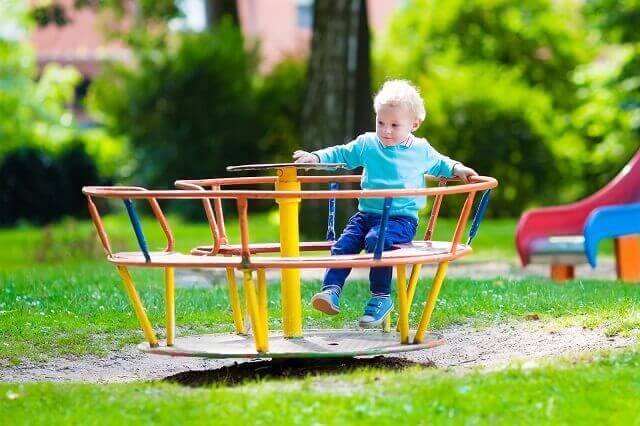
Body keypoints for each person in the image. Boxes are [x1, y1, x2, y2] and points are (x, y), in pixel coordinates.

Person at [293, 79, 477, 328]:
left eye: (394, 125)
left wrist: (459, 168)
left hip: (401, 219)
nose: (386, 130)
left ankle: (381, 297)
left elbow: (442, 163)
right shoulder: (368, 144)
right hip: (366, 214)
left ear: (414, 124)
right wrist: (316, 157)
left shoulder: (420, 149)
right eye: (381, 122)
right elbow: (342, 153)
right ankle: (331, 291)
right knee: (343, 244)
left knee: (376, 241)